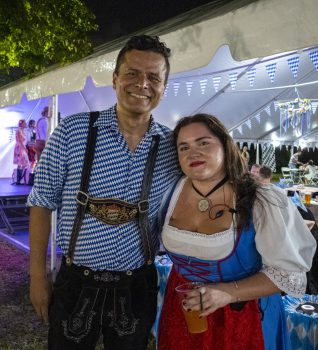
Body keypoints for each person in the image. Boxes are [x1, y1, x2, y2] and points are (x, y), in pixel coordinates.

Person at [27, 35, 179, 350]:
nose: (143, 84)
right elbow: (41, 204)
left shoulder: (173, 146)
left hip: (137, 283)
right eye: (133, 73)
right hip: (76, 280)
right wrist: (37, 276)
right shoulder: (72, 131)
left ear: (164, 87)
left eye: (154, 77)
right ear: (114, 79)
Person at [158, 114, 316, 350]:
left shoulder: (261, 200)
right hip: (182, 311)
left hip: (243, 315)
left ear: (225, 144)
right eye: (184, 147)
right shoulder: (167, 193)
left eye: (203, 143)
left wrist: (228, 293)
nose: (193, 152)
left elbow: (289, 275)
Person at [13, 119, 29, 184]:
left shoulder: (22, 130)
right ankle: (18, 179)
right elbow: (20, 140)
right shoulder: (19, 130)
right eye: (24, 123)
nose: (26, 124)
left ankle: (20, 179)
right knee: (21, 163)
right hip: (20, 148)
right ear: (21, 124)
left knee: (23, 163)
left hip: (22, 147)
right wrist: (24, 148)